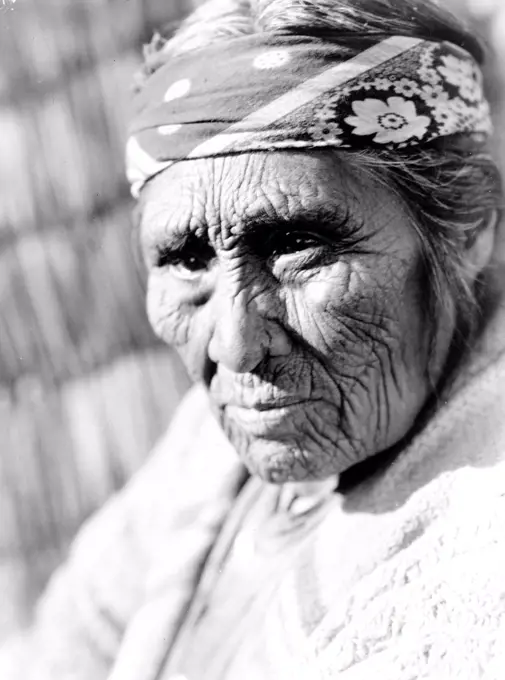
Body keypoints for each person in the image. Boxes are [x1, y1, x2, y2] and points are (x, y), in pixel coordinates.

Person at [4, 0, 505, 678]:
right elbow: (69, 641)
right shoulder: (210, 444)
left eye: (297, 244)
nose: (235, 346)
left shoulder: (477, 551)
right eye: (186, 258)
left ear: (469, 226)